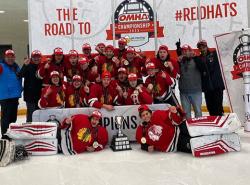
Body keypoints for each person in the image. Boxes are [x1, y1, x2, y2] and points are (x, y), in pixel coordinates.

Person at [196, 40, 225, 116]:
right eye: (200, 48)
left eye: (204, 47)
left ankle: (221, 124)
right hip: (207, 88)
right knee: (210, 108)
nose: (202, 49)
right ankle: (214, 125)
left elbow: (223, 48)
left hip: (217, 86)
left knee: (218, 108)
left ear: (206, 46)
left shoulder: (215, 55)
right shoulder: (198, 59)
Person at [0, 50, 22, 139]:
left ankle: (11, 134)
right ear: (5, 58)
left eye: (12, 56)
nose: (10, 58)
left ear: (14, 57)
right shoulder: (1, 66)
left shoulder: (16, 67)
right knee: (5, 118)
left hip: (15, 96)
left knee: (13, 118)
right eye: (8, 56)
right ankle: (5, 136)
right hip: (5, 97)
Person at [178, 44, 202, 119]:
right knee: (186, 113)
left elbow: (203, 67)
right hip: (183, 92)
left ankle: (198, 128)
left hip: (196, 91)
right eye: (183, 51)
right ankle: (188, 129)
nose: (185, 53)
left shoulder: (196, 59)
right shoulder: (180, 61)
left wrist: (195, 56)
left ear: (190, 51)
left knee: (198, 111)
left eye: (186, 51)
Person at [19, 50, 43, 122]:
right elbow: (20, 75)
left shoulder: (42, 66)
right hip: (30, 97)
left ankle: (40, 130)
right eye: (34, 57)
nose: (36, 59)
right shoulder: (27, 66)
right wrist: (24, 65)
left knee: (40, 115)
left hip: (40, 96)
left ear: (40, 58)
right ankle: (29, 130)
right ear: (31, 58)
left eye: (38, 57)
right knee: (31, 115)